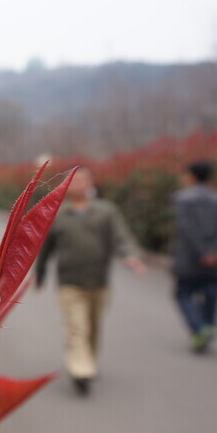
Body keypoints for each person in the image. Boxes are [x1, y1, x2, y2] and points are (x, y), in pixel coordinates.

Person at [35, 167, 146, 395]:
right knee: (77, 327)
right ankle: (81, 370)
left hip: (98, 281)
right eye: (72, 180)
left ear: (92, 183)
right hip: (69, 282)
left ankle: (87, 362)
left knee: (93, 327)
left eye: (82, 179)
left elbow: (121, 237)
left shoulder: (106, 211)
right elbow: (44, 248)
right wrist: (40, 273)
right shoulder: (57, 214)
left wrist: (130, 255)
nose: (78, 184)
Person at [172, 160, 217, 353]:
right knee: (212, 293)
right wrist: (214, 251)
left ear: (191, 176)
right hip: (215, 259)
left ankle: (199, 327)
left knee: (183, 293)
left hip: (190, 258)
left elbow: (188, 228)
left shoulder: (183, 199)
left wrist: (203, 251)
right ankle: (208, 326)